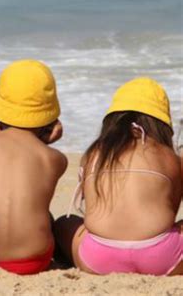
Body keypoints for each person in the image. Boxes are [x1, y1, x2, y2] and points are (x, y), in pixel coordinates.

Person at [54, 77, 183, 276]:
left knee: (64, 222)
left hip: (98, 257)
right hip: (161, 257)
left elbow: (93, 206)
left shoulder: (93, 155)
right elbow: (170, 210)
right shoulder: (170, 158)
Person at [0, 59, 67, 275]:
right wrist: (45, 144)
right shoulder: (54, 158)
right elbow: (34, 180)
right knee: (43, 214)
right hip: (32, 261)